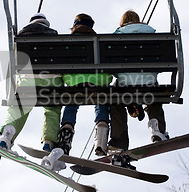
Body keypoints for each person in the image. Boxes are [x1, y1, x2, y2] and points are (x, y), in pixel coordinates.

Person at [108, 10, 169, 159]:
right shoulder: (151, 34)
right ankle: (157, 131)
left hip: (125, 85)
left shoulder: (116, 37)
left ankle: (119, 141)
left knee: (115, 101)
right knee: (154, 97)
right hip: (149, 82)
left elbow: (110, 66)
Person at [0, 13, 63, 151]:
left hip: (28, 81)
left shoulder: (20, 37)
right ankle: (48, 142)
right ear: (46, 23)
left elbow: (14, 63)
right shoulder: (55, 35)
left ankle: (7, 135)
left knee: (19, 106)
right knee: (52, 109)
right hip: (51, 81)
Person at [57, 13, 113, 156]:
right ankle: (101, 139)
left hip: (75, 83)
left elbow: (61, 67)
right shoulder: (100, 43)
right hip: (98, 83)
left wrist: (67, 79)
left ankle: (65, 140)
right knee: (101, 100)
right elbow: (109, 69)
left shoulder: (66, 43)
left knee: (71, 102)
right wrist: (105, 80)